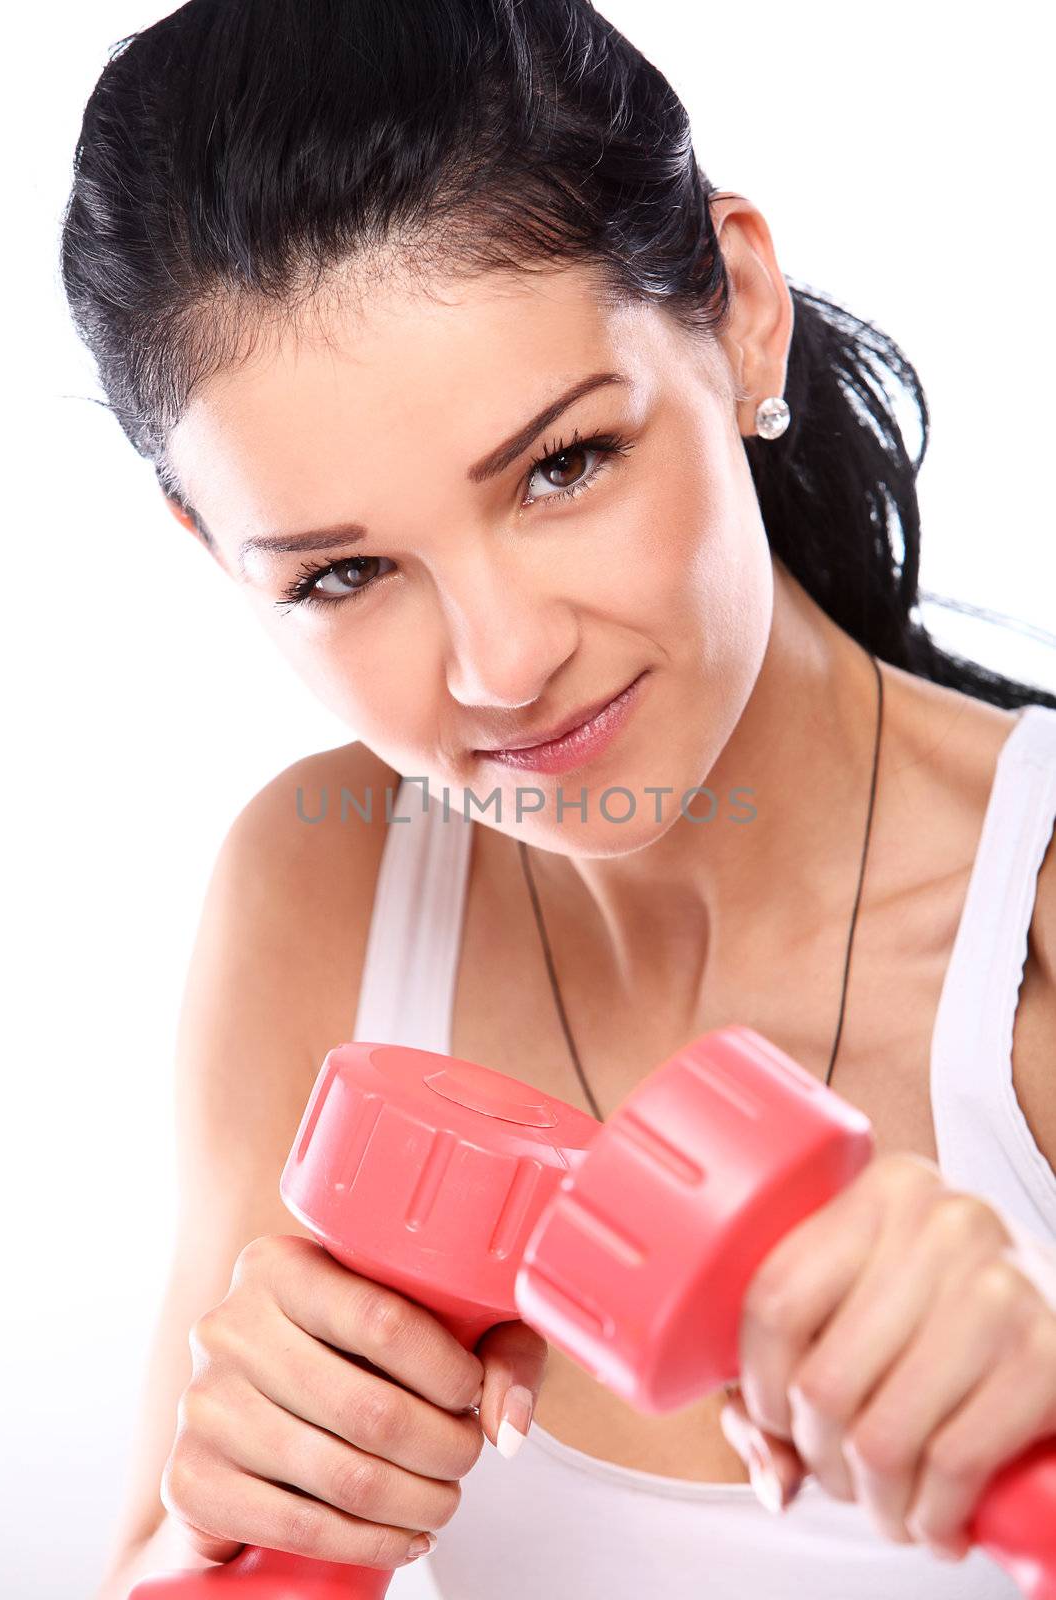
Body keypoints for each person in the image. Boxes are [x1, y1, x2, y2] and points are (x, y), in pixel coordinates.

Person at [61, 2, 1056, 1596]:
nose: (504, 666)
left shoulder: (1037, 926)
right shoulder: (315, 896)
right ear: (215, 558)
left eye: (564, 465)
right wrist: (222, 1534)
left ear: (737, 309)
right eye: (343, 573)